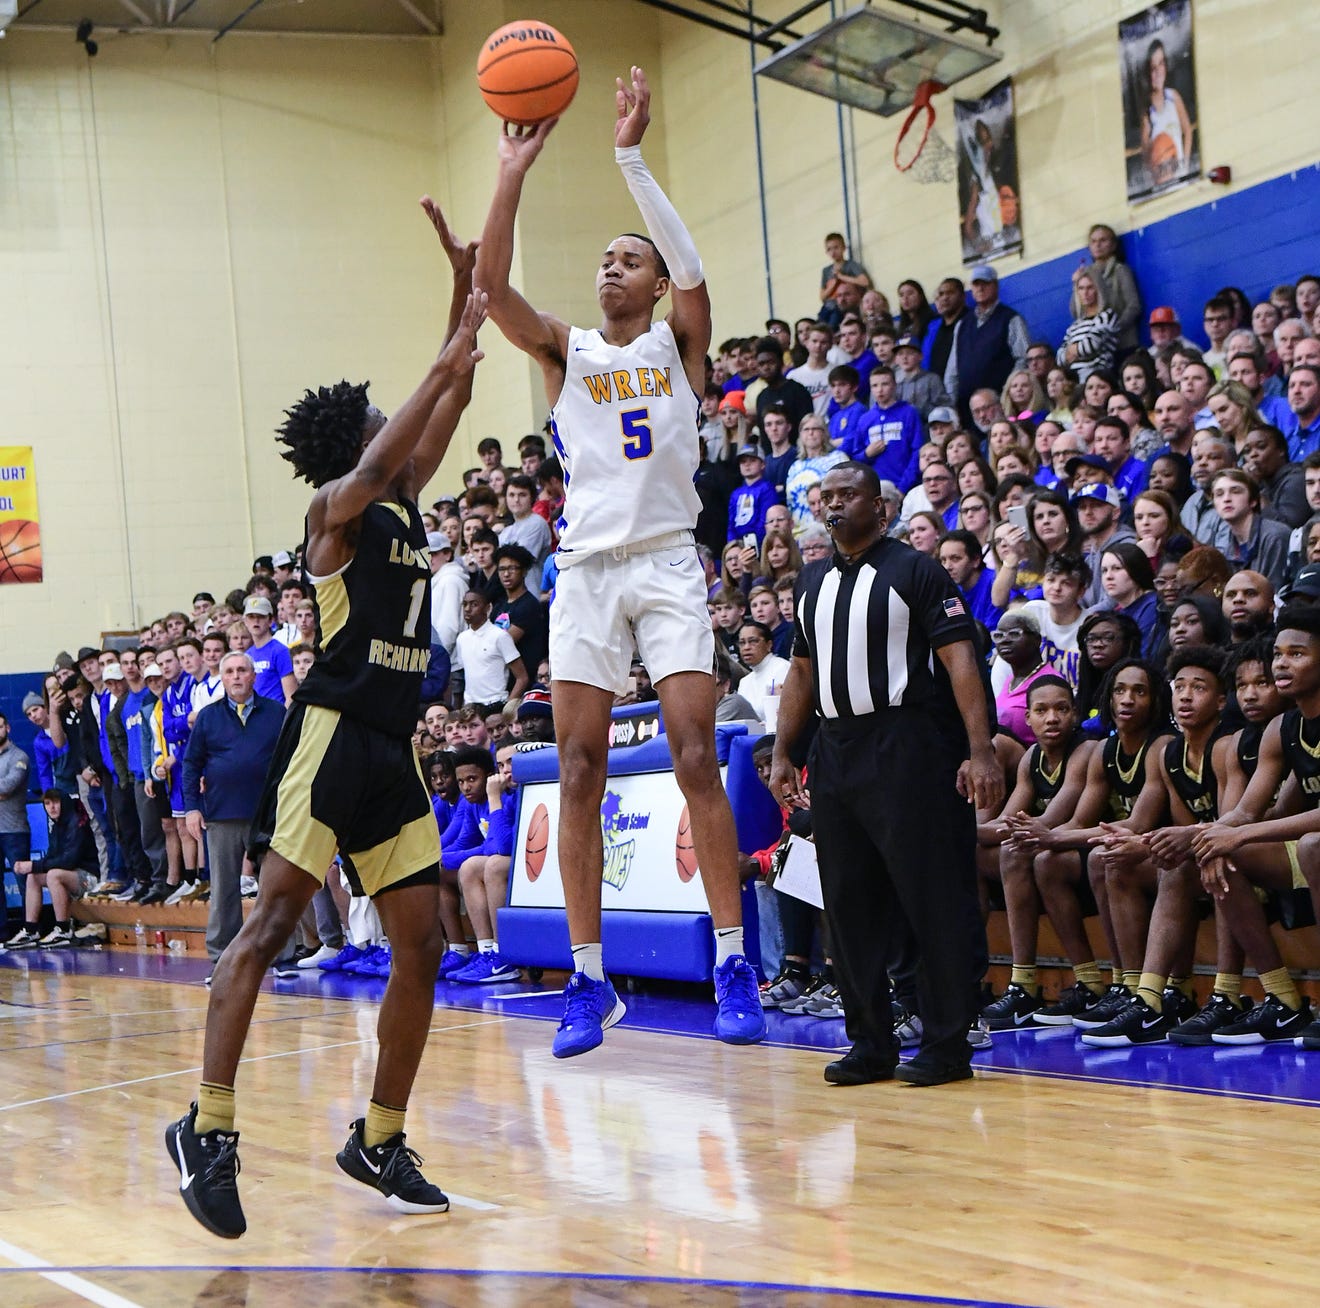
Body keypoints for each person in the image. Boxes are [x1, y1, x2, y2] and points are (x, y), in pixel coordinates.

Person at [165, 198, 487, 1240]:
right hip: (330, 739)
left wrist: (463, 282)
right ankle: (206, 1126)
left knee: (423, 945)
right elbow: (437, 383)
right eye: (377, 417)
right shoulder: (334, 514)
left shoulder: (406, 499)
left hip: (392, 752)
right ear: (353, 442)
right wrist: (450, 339)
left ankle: (379, 1136)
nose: (395, 419)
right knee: (264, 927)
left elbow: (460, 374)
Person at [474, 66, 765, 1058]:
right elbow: (491, 290)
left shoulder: (684, 346)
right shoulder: (567, 354)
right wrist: (510, 171)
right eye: (603, 257)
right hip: (587, 575)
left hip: (668, 561)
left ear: (651, 284)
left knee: (692, 751)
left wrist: (631, 158)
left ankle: (733, 958)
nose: (611, 267)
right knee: (581, 769)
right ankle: (589, 981)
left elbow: (695, 275)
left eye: (627, 259)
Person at [770, 461, 1003, 1087]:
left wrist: (980, 751)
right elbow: (800, 671)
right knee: (846, 901)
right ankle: (870, 1042)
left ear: (881, 508)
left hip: (910, 743)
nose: (835, 504)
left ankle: (948, 1042)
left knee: (930, 894)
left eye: (849, 495)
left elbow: (960, 661)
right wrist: (786, 749)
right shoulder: (811, 580)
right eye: (827, 496)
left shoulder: (916, 570)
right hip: (837, 747)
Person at [6, 789, 99, 950]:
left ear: (64, 802)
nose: (52, 808)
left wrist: (33, 865)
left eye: (55, 802)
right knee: (33, 877)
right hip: (71, 876)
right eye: (47, 804)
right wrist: (33, 868)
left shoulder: (76, 822)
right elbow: (51, 857)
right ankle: (30, 930)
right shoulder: (56, 825)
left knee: (53, 875)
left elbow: (69, 861)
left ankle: (63, 930)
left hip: (89, 878)